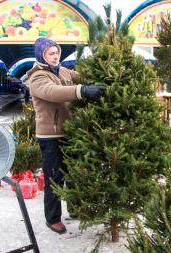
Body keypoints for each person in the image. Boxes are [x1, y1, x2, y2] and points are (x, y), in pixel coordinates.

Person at [26, 37, 104, 234]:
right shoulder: (36, 77)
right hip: (50, 136)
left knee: (74, 173)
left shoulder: (63, 70)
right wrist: (82, 90)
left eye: (57, 53)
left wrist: (102, 70)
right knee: (54, 177)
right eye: (51, 54)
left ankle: (76, 209)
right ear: (41, 55)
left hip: (70, 131)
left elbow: (81, 76)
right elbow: (54, 92)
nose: (55, 57)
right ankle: (52, 219)